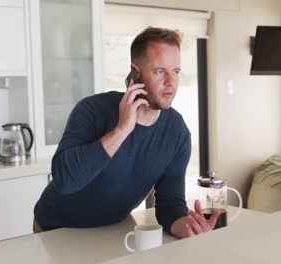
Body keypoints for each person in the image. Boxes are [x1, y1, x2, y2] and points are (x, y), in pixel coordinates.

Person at [33, 27, 220, 239]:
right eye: (160, 71)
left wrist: (186, 226)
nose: (171, 82)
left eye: (176, 71)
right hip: (56, 230)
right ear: (136, 71)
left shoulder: (177, 132)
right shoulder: (92, 110)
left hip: (115, 230)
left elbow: (170, 204)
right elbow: (65, 180)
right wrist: (122, 130)